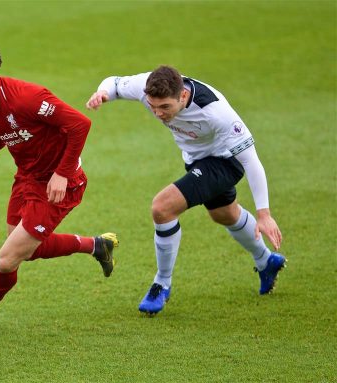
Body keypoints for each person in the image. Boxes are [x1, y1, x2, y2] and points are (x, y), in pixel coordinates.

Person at [0, 40, 118, 330]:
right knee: (23, 251)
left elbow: (80, 124)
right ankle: (97, 246)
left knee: (6, 260)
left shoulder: (27, 98)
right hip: (28, 179)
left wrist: (63, 173)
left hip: (60, 184)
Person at [86, 65, 285, 315]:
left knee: (162, 208)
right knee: (224, 214)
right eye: (152, 106)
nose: (158, 113)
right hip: (195, 159)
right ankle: (266, 261)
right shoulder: (146, 84)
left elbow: (251, 160)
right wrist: (101, 93)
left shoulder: (216, 112)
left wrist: (264, 214)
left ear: (182, 96)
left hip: (224, 161)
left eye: (165, 108)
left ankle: (162, 283)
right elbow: (114, 83)